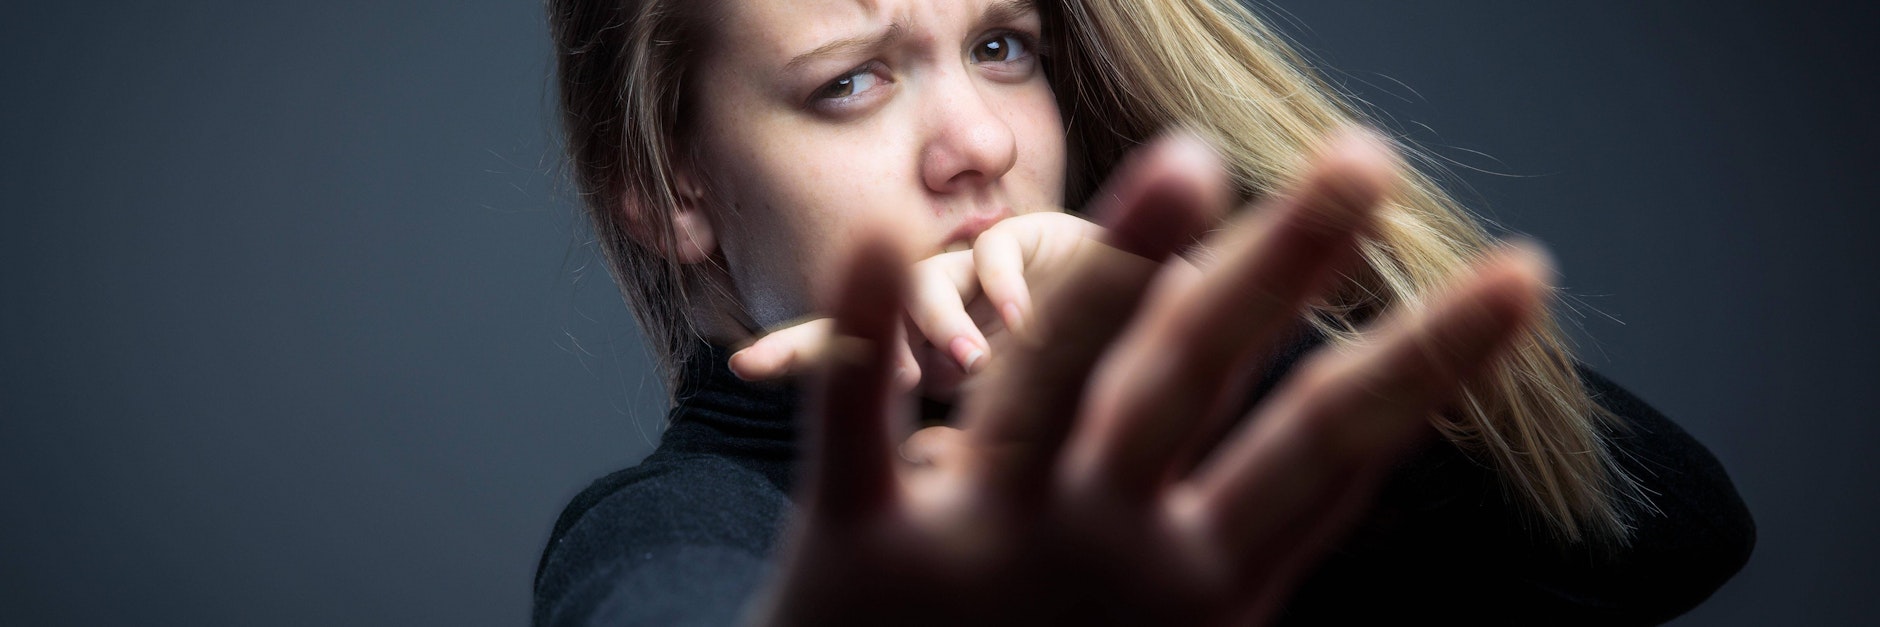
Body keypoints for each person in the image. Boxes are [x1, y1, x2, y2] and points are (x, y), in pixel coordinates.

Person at [532, 0, 1755, 625]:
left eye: (1004, 47)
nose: (979, 142)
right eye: (848, 83)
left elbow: (1669, 526)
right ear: (672, 191)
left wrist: (1207, 345)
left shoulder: (1207, 481)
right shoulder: (672, 527)